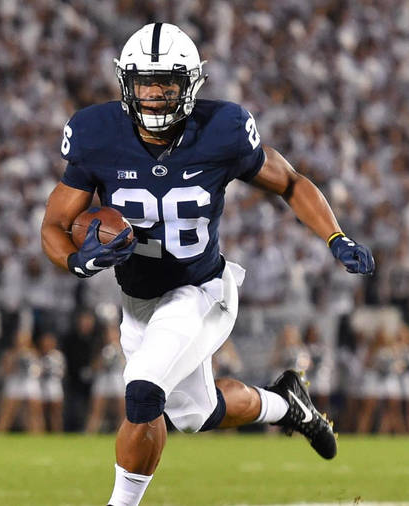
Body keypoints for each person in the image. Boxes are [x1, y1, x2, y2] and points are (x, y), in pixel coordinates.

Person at [39, 23, 374, 506]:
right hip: (138, 303)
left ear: (190, 84)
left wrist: (335, 236)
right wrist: (77, 262)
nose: (154, 95)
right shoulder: (95, 133)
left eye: (167, 83)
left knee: (142, 392)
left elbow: (290, 182)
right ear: (125, 83)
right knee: (197, 413)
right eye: (145, 83)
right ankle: (287, 404)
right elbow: (54, 224)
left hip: (201, 291)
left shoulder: (223, 129)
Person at [0, 330, 43, 433]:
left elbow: (38, 370)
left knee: (34, 412)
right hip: (14, 383)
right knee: (8, 411)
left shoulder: (34, 353)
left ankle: (37, 434)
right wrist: (15, 359)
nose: (21, 342)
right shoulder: (10, 353)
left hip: (30, 382)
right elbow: (5, 371)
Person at [86, 325, 127, 434]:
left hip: (118, 378)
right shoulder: (101, 348)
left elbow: (127, 365)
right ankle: (90, 433)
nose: (111, 336)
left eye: (114, 334)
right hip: (103, 378)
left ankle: (122, 434)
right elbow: (94, 367)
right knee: (97, 409)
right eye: (109, 334)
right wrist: (104, 358)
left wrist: (118, 353)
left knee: (122, 410)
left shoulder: (124, 348)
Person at [37, 332, 66, 433]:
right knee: (41, 413)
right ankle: (41, 433)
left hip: (55, 386)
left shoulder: (58, 356)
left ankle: (57, 433)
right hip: (41, 387)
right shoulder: (38, 355)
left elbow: (61, 372)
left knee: (56, 413)